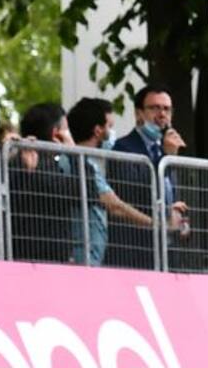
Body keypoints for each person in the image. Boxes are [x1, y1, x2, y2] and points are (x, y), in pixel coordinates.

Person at [66, 97, 175, 266]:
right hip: (85, 257)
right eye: (110, 126)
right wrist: (159, 225)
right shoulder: (82, 165)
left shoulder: (89, 160)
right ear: (97, 131)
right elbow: (116, 206)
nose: (113, 133)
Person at [109, 84, 192, 269]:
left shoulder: (167, 148)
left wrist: (176, 213)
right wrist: (165, 157)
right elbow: (130, 194)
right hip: (135, 247)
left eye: (167, 109)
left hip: (166, 248)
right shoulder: (123, 148)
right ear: (139, 113)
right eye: (154, 108)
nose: (162, 114)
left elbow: (170, 193)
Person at [7, 102, 78, 264]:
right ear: (56, 134)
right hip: (44, 262)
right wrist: (75, 154)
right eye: (66, 129)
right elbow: (87, 191)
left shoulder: (14, 162)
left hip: (21, 256)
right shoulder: (42, 168)